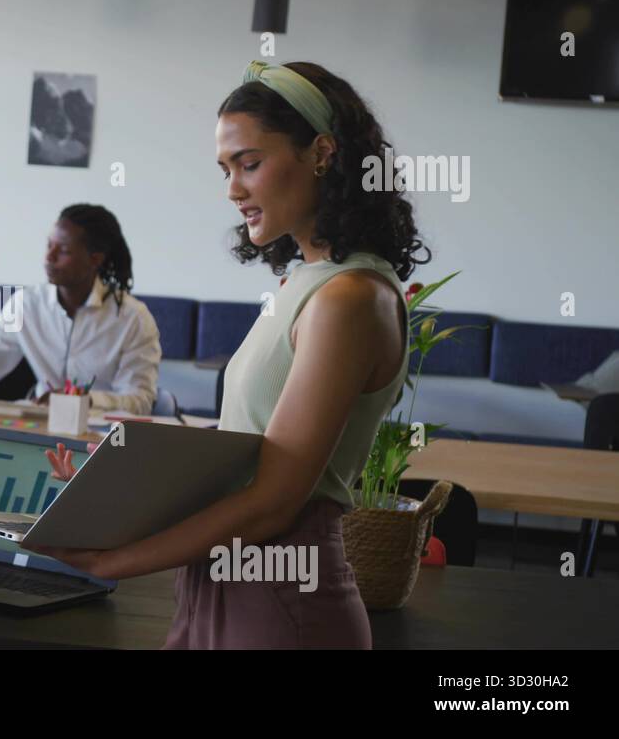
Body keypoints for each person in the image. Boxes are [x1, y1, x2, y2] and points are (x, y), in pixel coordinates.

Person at [39, 61, 429, 649]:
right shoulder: (309, 282)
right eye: (226, 169)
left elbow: (272, 504)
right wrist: (129, 473)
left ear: (322, 153)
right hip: (228, 585)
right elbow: (248, 444)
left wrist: (109, 562)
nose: (233, 189)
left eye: (250, 163)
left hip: (279, 597)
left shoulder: (349, 298)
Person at [0, 203, 162, 414]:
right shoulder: (25, 305)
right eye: (49, 245)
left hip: (103, 435)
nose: (49, 257)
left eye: (63, 250)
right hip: (40, 422)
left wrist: (85, 399)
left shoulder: (133, 318)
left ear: (95, 259)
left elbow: (140, 401)